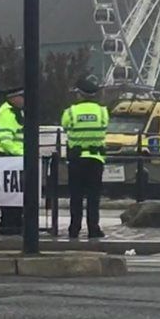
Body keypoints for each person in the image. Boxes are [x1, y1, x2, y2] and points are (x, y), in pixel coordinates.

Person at [60, 76, 109, 239]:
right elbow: (104, 127)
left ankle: (74, 229)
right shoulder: (103, 112)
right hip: (96, 159)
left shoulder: (71, 112)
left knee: (76, 197)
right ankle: (93, 228)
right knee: (94, 197)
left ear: (80, 95)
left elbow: (65, 126)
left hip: (77, 160)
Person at [0, 87, 25, 235]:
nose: (24, 100)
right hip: (8, 158)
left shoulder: (14, 112)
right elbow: (5, 141)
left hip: (12, 159)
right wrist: (23, 154)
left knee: (15, 194)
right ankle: (9, 225)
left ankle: (14, 223)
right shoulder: (8, 114)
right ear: (13, 98)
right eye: (21, 97)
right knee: (11, 194)